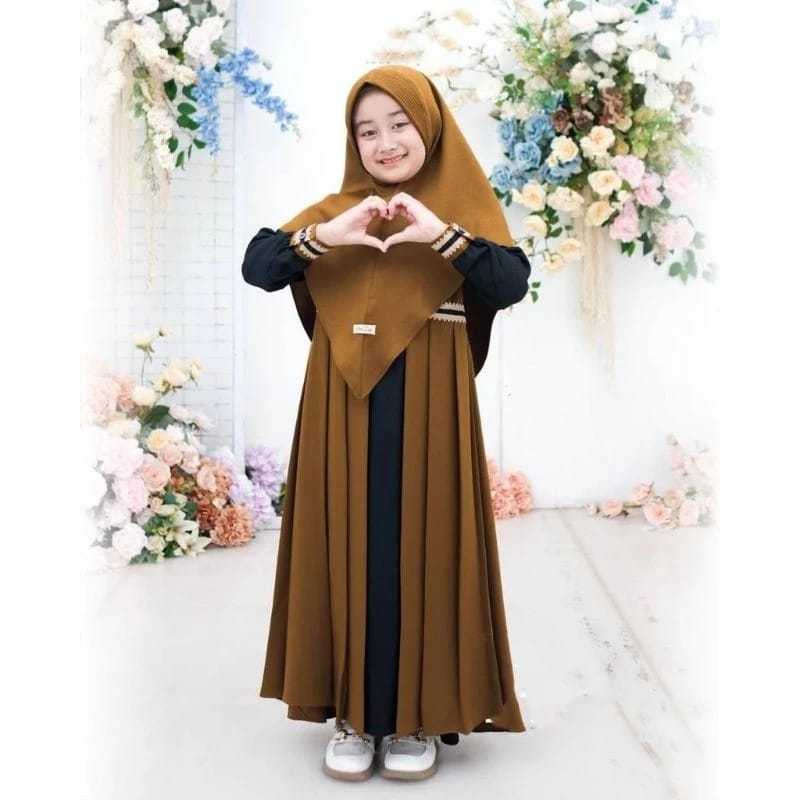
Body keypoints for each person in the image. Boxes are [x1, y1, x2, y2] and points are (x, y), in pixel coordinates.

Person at [241, 65, 531, 782]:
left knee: (423, 541)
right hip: (341, 402)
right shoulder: (339, 212)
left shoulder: (462, 212)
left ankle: (414, 717)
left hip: (433, 403)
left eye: (400, 124)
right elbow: (259, 265)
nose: (385, 142)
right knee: (349, 540)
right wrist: (327, 236)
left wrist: (441, 236)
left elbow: (509, 282)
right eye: (367, 130)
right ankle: (352, 713)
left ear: (429, 127)